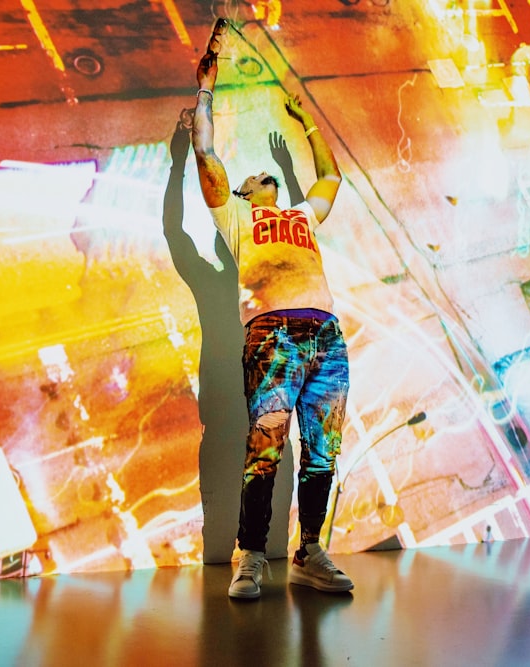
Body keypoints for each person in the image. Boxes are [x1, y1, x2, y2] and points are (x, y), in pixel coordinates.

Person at [191, 48, 353, 599]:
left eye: (268, 175)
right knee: (267, 447)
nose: (264, 175)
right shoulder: (236, 218)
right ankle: (251, 554)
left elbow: (331, 175)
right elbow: (206, 153)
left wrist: (306, 120)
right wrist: (205, 92)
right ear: (241, 193)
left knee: (324, 452)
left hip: (325, 336)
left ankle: (309, 551)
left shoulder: (301, 216)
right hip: (274, 335)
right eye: (257, 175)